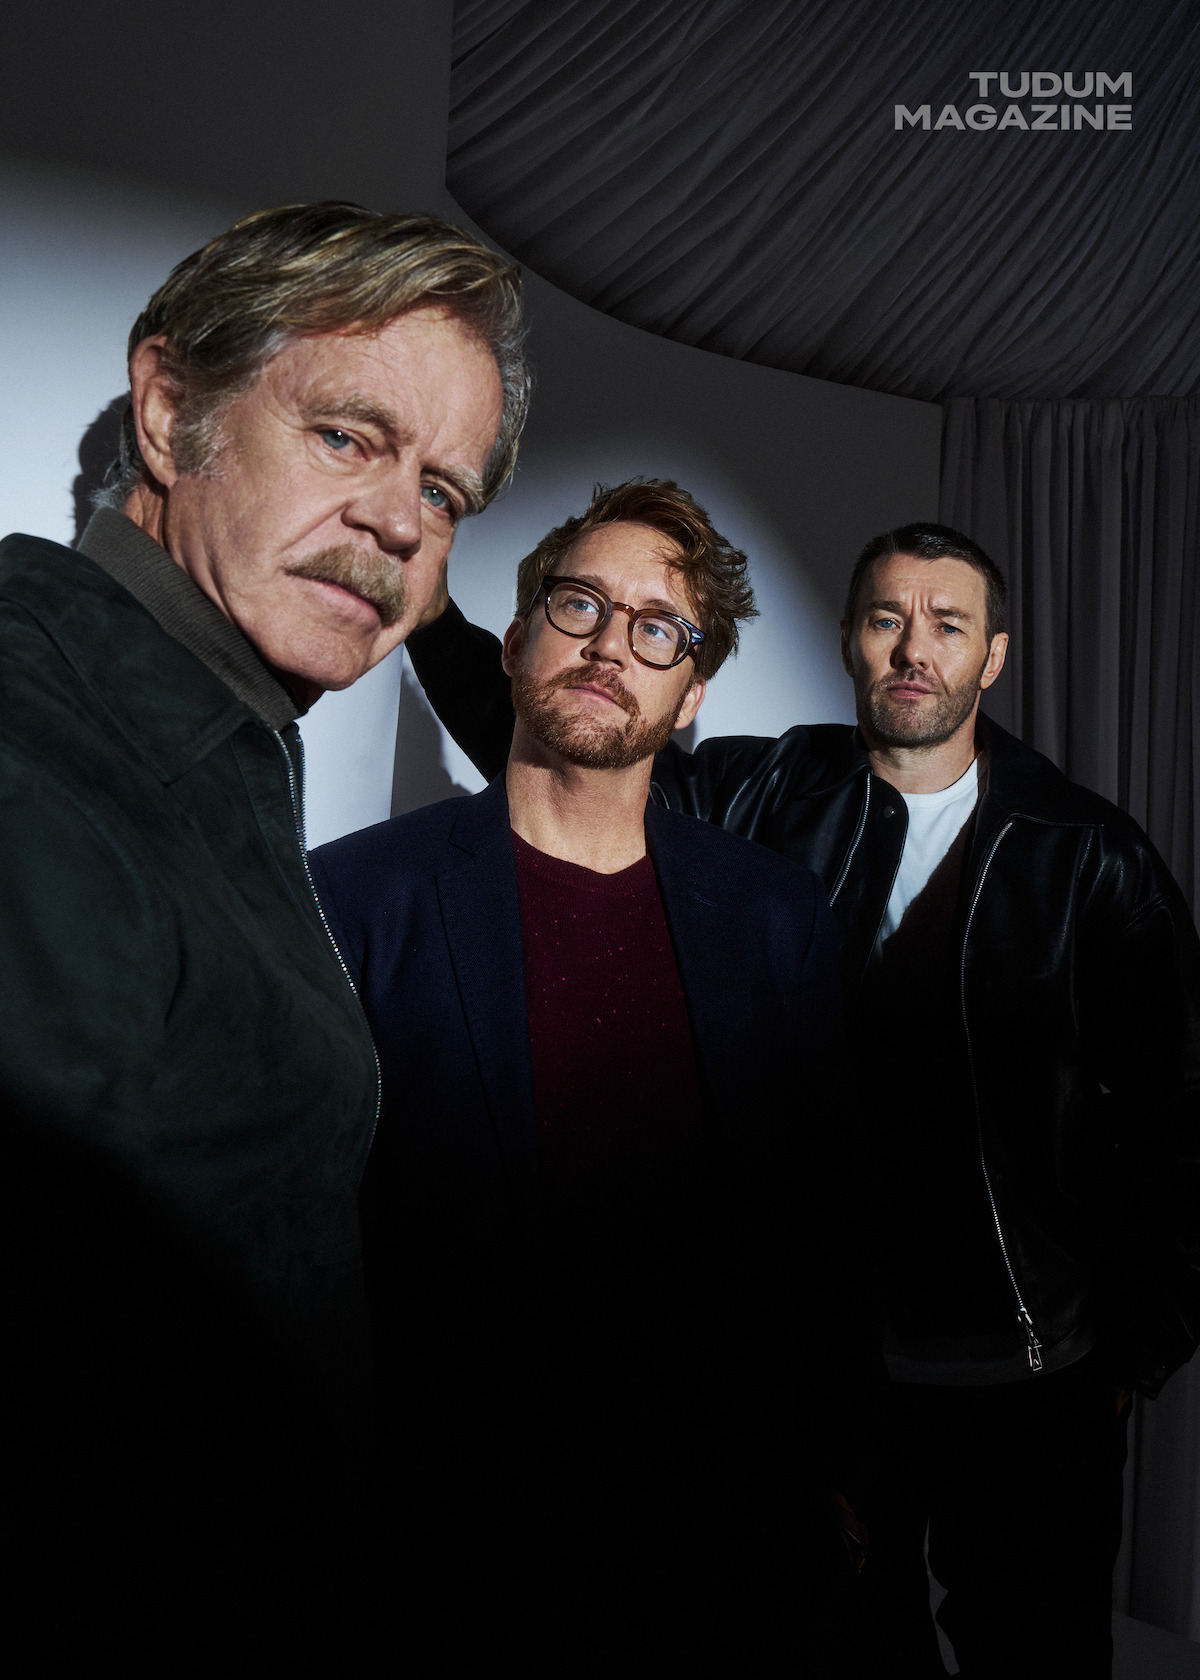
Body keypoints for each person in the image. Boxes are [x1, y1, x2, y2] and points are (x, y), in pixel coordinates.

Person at [402, 517, 1200, 1676]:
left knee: (1040, 1658)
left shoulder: (1089, 854)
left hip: (1032, 1383)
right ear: (848, 642)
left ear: (996, 655)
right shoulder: (762, 790)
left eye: (948, 626)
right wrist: (430, 619)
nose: (913, 649)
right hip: (839, 1381)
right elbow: (578, 754)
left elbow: (1177, 1116)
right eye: (887, 620)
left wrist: (1139, 1353)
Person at [0, 201, 526, 1610]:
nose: (398, 525)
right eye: (349, 436)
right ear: (172, 412)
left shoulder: (205, 741)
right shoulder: (34, 733)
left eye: (447, 492)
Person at [310, 479, 872, 1666]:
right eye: (581, 605)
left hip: (719, 1540)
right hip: (452, 1539)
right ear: (514, 641)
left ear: (693, 691)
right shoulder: (355, 899)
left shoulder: (775, 919)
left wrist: (838, 1474)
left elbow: (823, 1228)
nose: (613, 643)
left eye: (658, 627)